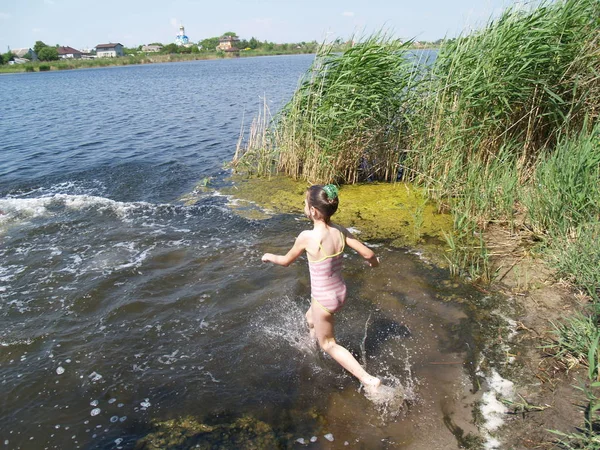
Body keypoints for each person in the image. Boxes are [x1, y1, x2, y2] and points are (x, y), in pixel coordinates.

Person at [261, 184, 381, 392]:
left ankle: (368, 380)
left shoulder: (307, 237)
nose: (304, 206)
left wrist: (269, 256)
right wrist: (374, 264)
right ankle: (310, 343)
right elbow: (369, 254)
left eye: (305, 203)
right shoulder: (340, 230)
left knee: (329, 344)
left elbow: (286, 261)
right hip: (340, 292)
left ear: (313, 211)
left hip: (324, 299)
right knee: (310, 318)